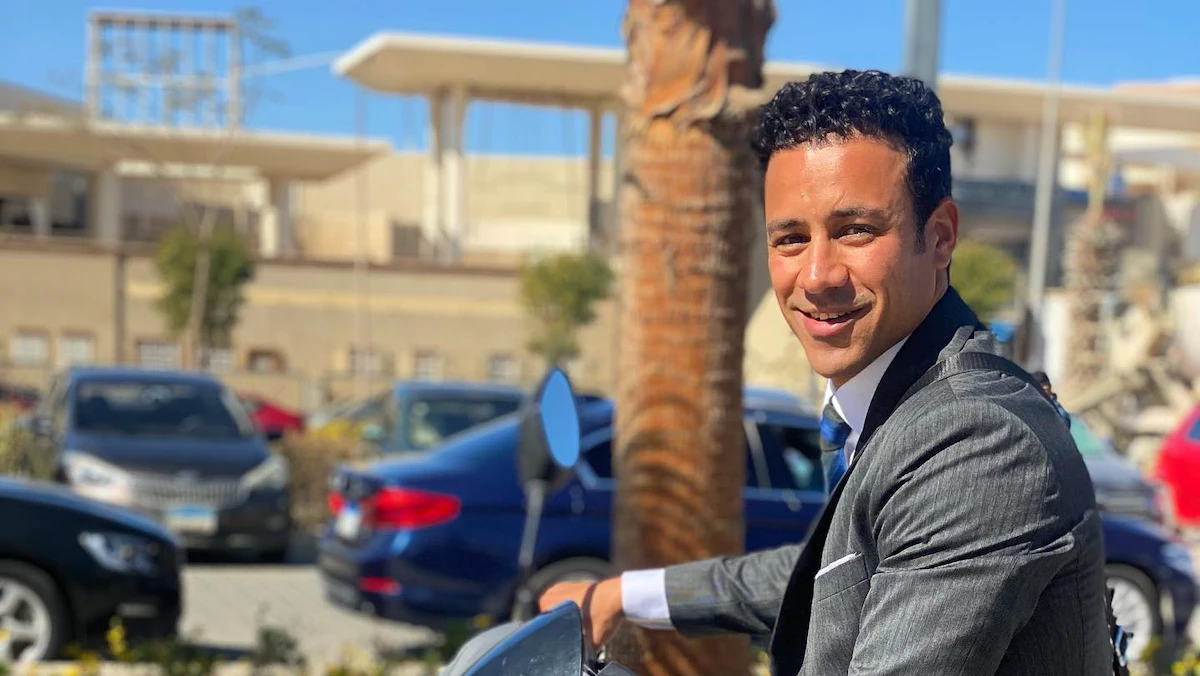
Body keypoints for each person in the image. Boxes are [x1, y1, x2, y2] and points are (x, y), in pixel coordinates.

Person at [538, 70, 1112, 675]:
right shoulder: (905, 399)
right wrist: (624, 595)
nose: (816, 276)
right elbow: (838, 572)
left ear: (940, 237)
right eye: (790, 238)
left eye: (855, 231)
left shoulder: (977, 443)